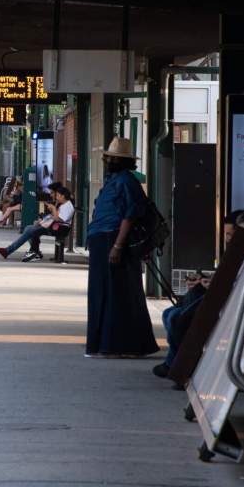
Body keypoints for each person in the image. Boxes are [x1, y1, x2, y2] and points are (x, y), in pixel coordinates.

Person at [85, 137, 159, 358]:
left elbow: (130, 215)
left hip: (113, 239)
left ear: (124, 161)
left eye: (115, 158)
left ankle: (117, 344)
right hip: (103, 239)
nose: (111, 161)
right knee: (106, 292)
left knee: (117, 293)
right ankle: (107, 343)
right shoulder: (115, 180)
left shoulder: (127, 182)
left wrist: (118, 245)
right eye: (110, 157)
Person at [153, 212, 243, 379]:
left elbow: (237, 285)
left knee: (176, 319)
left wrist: (210, 284)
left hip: (229, 303)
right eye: (226, 234)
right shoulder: (235, 252)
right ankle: (175, 361)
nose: (228, 239)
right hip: (221, 297)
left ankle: (178, 364)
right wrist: (205, 280)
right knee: (169, 314)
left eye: (231, 234)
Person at [0, 184, 74, 261]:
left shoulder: (68, 206)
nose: (56, 197)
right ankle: (33, 251)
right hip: (54, 225)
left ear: (63, 196)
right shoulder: (62, 204)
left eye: (57, 195)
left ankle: (26, 251)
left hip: (59, 228)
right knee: (28, 228)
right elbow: (54, 217)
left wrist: (53, 209)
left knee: (32, 231)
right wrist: (44, 219)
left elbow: (58, 219)